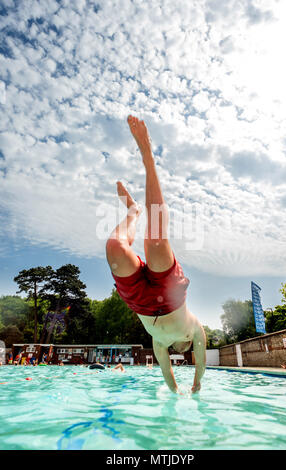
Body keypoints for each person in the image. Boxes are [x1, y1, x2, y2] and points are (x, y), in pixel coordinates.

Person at [106, 115, 206, 394]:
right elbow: (200, 362)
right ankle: (148, 156)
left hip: (141, 303)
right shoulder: (195, 329)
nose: (184, 349)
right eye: (187, 349)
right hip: (171, 295)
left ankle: (133, 212)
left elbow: (166, 370)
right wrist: (197, 384)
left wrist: (176, 391)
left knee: (114, 248)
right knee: (156, 239)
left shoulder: (160, 344)